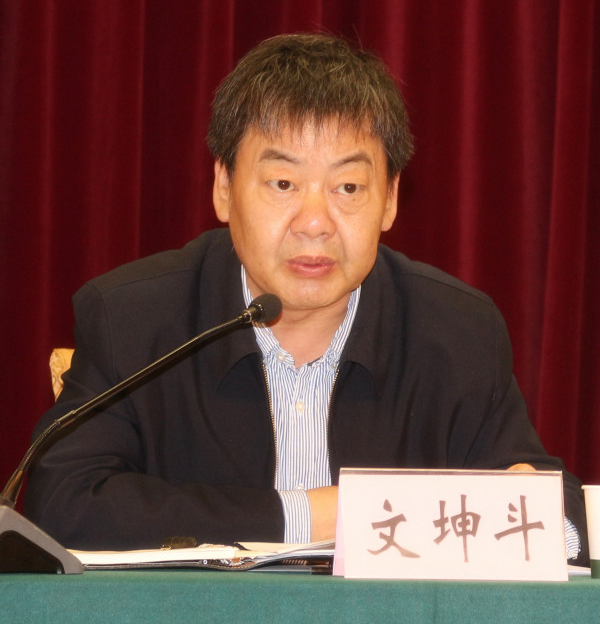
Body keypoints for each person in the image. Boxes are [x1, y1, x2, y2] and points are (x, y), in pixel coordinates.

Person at [25, 33, 588, 564]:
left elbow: (559, 520)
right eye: (283, 184)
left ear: (391, 199)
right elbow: (63, 503)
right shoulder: (131, 318)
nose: (315, 222)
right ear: (224, 188)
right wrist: (312, 516)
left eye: (348, 187)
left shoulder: (458, 331)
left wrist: (531, 507)